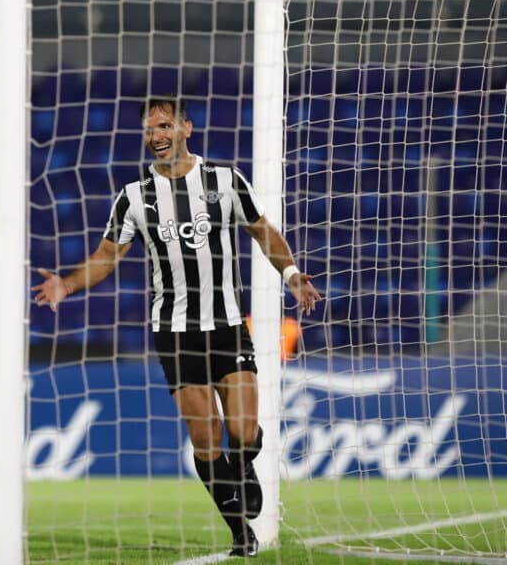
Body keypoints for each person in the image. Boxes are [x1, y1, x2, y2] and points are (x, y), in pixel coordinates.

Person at [32, 95, 322, 557]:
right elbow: (107, 257)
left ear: (186, 127)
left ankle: (243, 469)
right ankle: (238, 531)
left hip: (227, 323)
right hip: (175, 332)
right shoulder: (134, 197)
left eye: (165, 126)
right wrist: (66, 286)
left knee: (244, 432)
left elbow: (262, 230)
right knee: (205, 435)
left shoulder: (225, 181)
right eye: (150, 130)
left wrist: (292, 275)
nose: (157, 136)